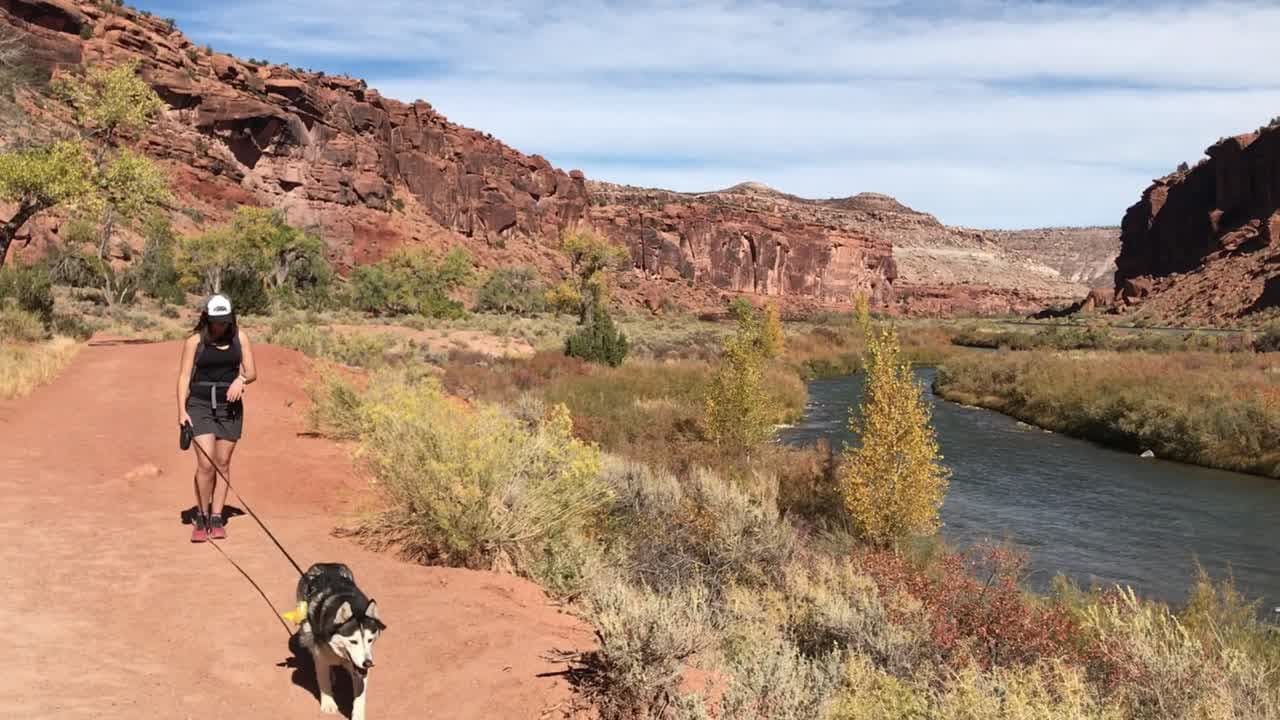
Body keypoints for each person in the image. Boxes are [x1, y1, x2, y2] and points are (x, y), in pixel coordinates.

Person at [176, 294, 257, 543]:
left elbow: (252, 371)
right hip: (199, 405)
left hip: (229, 407)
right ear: (207, 318)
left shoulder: (239, 337)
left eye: (225, 321)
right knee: (206, 464)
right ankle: (201, 516)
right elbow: (183, 377)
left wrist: (241, 380)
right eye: (216, 321)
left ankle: (216, 516)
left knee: (222, 463)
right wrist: (182, 411)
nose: (221, 326)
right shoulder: (195, 342)